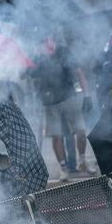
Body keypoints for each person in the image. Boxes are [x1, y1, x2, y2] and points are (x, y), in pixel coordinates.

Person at [28, 37, 95, 180]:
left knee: (81, 131)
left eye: (48, 40)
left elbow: (79, 73)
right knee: (56, 135)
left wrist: (87, 95)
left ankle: (82, 161)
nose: (46, 44)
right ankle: (63, 168)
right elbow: (29, 77)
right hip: (50, 103)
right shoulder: (37, 59)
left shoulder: (63, 52)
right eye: (42, 42)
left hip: (70, 97)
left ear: (52, 41)